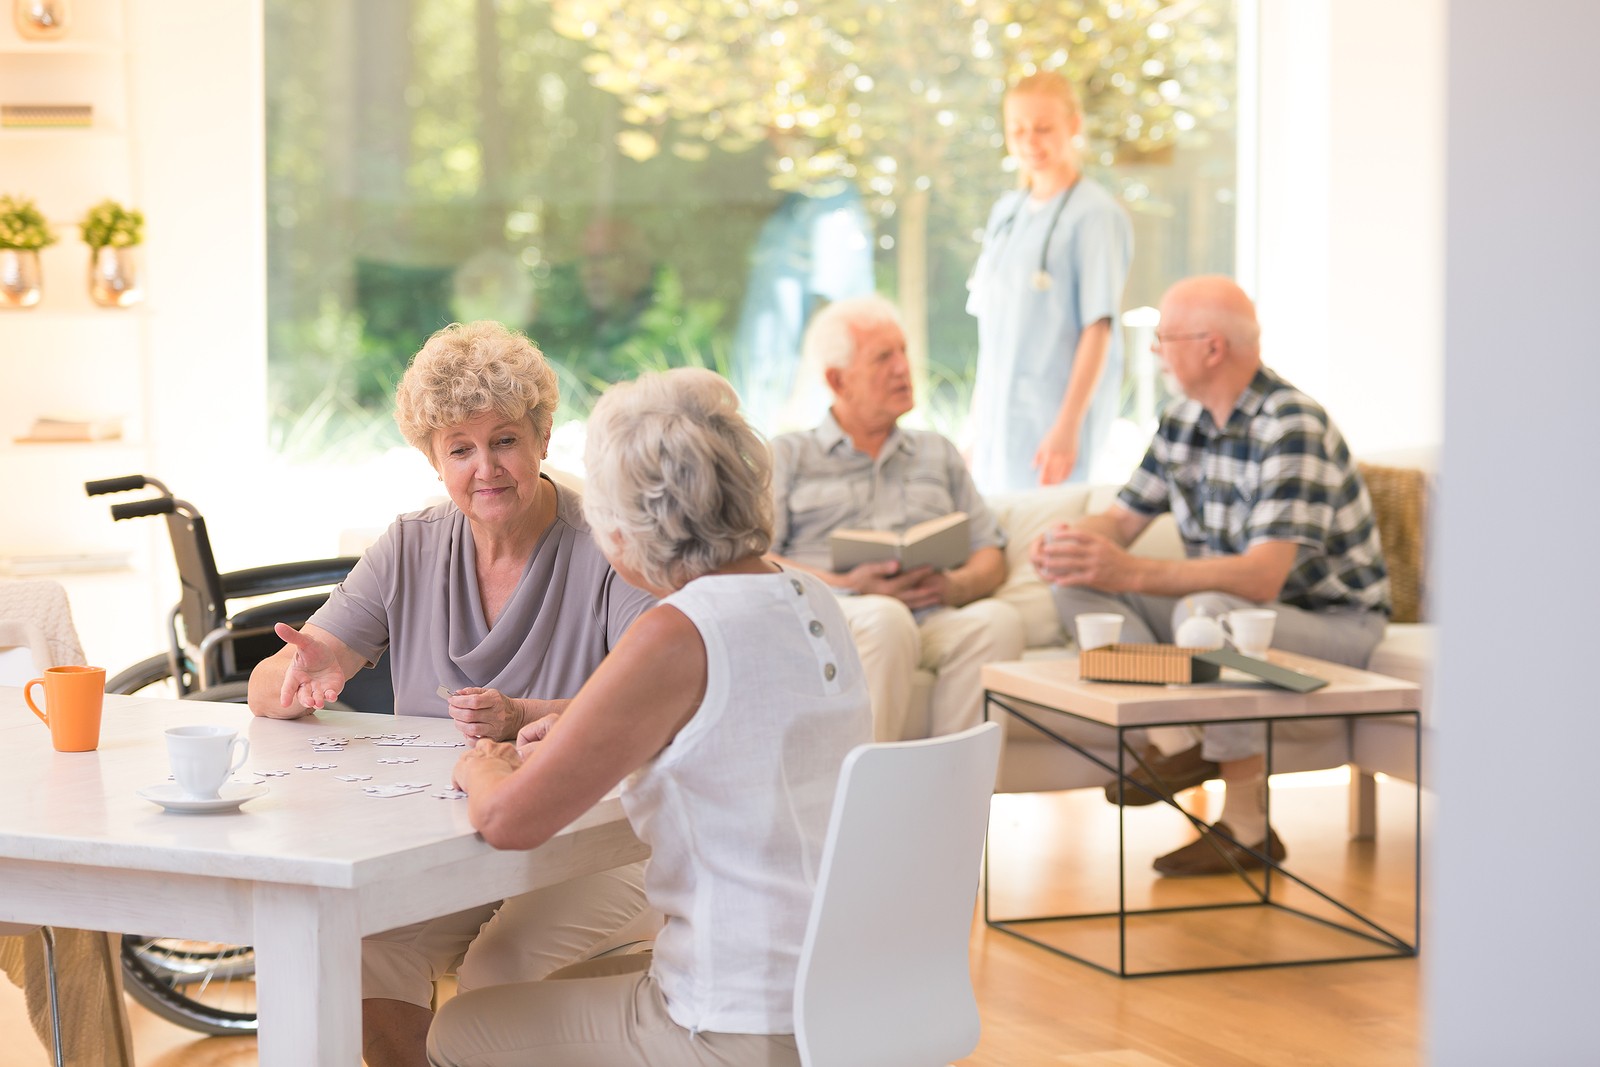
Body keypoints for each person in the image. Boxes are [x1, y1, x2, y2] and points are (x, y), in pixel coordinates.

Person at [427, 367, 871, 1066]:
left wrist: (479, 764)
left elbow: (509, 819)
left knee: (460, 1029)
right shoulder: (808, 596)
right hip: (838, 999)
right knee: (536, 982)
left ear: (628, 521)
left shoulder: (676, 630)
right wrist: (576, 729)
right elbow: (725, 721)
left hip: (732, 1022)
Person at [245, 320, 659, 1067]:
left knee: (499, 970)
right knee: (366, 946)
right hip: (453, 840)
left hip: (603, 843)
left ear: (542, 436)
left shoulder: (607, 543)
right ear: (433, 459)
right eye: (459, 448)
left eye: (504, 439)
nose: (485, 467)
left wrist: (525, 714)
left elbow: (653, 700)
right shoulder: (409, 544)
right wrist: (301, 680)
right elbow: (273, 679)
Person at [1031, 276, 1390, 876]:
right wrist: (1069, 543)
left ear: (1211, 347)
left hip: (1333, 625)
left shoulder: (1290, 424)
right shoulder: (1182, 421)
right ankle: (1176, 741)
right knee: (1081, 582)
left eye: (1164, 337)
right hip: (1222, 614)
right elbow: (1120, 522)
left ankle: (1247, 826)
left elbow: (1261, 581)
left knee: (1210, 611)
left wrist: (1131, 569)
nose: (1155, 351)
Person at [767, 296, 1025, 742]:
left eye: (903, 351)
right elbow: (759, 560)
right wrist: (846, 583)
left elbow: (990, 552)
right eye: (883, 357)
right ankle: (868, 805)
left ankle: (956, 802)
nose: (903, 368)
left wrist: (955, 586)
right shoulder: (789, 454)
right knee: (886, 619)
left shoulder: (935, 450)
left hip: (930, 613)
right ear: (837, 379)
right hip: (839, 615)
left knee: (997, 622)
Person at [966, 69, 1133, 492]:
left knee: (1046, 537)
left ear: (1074, 126)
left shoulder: (1095, 216)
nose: (1029, 142)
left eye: (1043, 128)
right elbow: (995, 336)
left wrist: (1068, 425)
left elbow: (1099, 327)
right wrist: (974, 426)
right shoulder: (1007, 212)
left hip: (1053, 419)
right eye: (1017, 129)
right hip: (997, 417)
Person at [730, 178, 875, 434]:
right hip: (768, 403)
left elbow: (829, 313)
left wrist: (798, 403)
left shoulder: (832, 200)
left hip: (799, 410)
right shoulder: (795, 199)